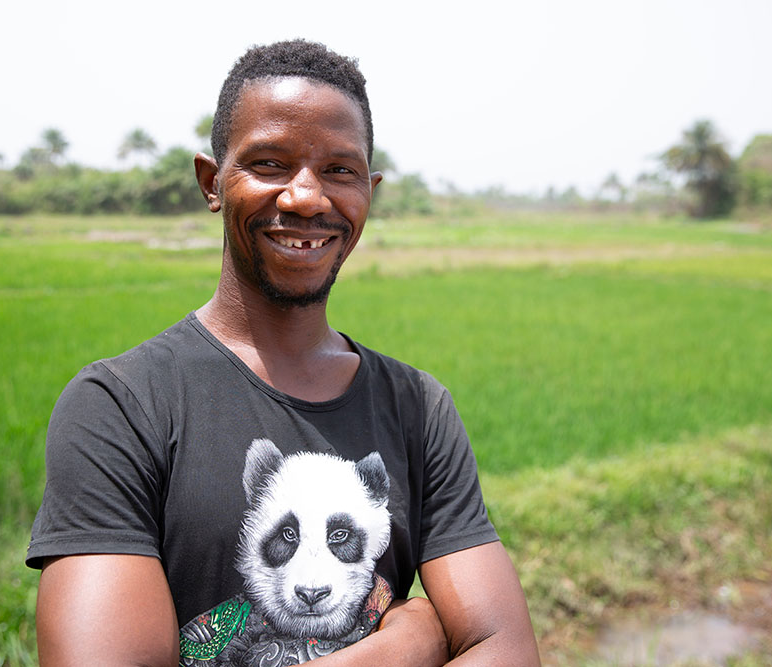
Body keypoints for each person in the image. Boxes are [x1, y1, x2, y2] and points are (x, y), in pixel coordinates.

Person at [27, 39, 540, 666]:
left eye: (340, 170)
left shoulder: (417, 409)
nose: (306, 197)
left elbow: (504, 649)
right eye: (270, 164)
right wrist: (407, 645)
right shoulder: (122, 407)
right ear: (212, 183)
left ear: (369, 194)